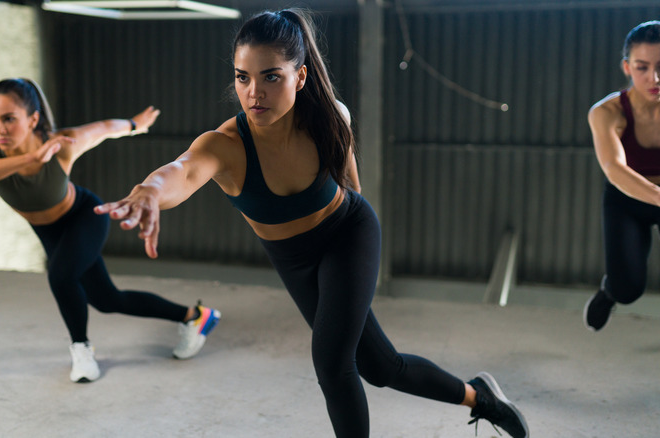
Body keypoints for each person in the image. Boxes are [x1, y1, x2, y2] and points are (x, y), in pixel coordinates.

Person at [95, 9, 528, 437]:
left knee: (333, 364)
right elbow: (183, 170)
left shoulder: (328, 117)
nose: (254, 92)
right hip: (295, 261)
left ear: (299, 77)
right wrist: (149, 192)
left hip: (348, 234)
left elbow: (353, 188)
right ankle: (482, 398)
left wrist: (356, 260)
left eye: (271, 76)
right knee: (380, 366)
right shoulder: (226, 146)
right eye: (243, 77)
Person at [0, 78, 221, 383]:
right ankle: (195, 317)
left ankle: (81, 350)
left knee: (60, 277)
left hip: (84, 216)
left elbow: (104, 128)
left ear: (32, 119)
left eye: (8, 119)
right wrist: (30, 158)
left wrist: (136, 124)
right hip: (51, 234)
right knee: (107, 299)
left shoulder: (61, 144)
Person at [585, 21, 660, 339]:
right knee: (629, 288)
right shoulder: (607, 112)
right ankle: (610, 292)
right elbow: (613, 168)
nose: (654, 78)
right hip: (627, 197)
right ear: (627, 67)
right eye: (642, 67)